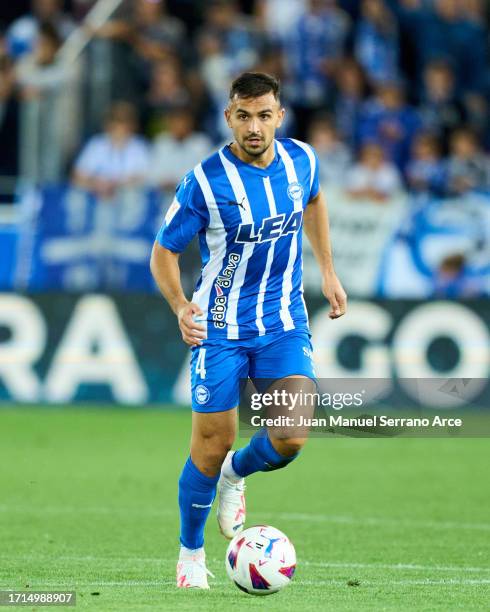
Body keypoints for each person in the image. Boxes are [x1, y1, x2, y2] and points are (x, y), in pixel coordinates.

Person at [150, 72, 347, 588]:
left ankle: (236, 474)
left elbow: (316, 201)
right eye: (244, 116)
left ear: (280, 115)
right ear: (229, 118)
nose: (254, 127)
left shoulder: (302, 160)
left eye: (264, 115)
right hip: (218, 328)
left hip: (282, 321)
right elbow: (164, 252)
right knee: (209, 445)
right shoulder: (206, 180)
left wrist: (327, 268)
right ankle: (191, 556)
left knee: (291, 435)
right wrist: (178, 306)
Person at [72, 101, 150, 199]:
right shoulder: (96, 145)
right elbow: (78, 177)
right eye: (115, 122)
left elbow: (147, 178)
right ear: (107, 124)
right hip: (96, 198)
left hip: (130, 199)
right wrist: (96, 184)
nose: (119, 127)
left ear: (132, 125)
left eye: (123, 122)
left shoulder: (139, 147)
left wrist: (116, 185)